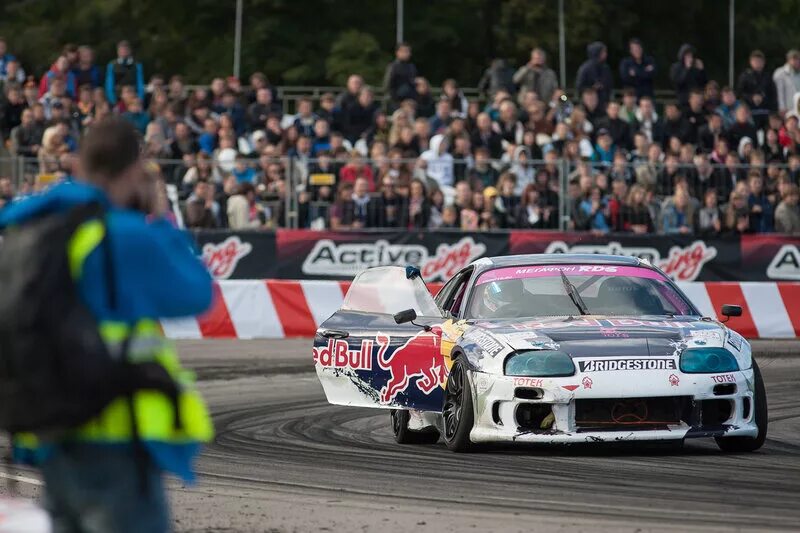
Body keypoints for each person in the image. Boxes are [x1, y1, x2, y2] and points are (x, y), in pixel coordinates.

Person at [0, 116, 213, 532]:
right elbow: (197, 293)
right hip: (112, 428)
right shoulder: (124, 234)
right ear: (135, 172)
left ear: (79, 165)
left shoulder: (31, 227)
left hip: (47, 429)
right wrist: (159, 217)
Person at [737, 50, 777, 129]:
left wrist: (763, 98)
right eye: (755, 61)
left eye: (760, 61)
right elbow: (739, 93)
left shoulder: (768, 77)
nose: (758, 63)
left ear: (764, 62)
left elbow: (773, 94)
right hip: (750, 112)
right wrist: (751, 97)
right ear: (751, 62)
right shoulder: (745, 76)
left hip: (765, 112)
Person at [105, 40, 145, 105]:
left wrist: (140, 98)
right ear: (118, 51)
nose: (124, 52)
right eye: (122, 50)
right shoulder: (112, 65)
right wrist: (113, 100)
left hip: (134, 98)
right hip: (117, 98)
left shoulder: (137, 64)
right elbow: (109, 84)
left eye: (126, 50)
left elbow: (140, 83)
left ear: (130, 51)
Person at [575, 42, 613, 106]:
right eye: (603, 52)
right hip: (589, 103)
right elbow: (579, 86)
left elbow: (609, 84)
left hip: (603, 102)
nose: (606, 54)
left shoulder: (606, 68)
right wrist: (591, 88)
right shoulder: (585, 68)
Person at [670, 44, 707, 108]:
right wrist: (686, 69)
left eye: (691, 55)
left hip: (696, 100)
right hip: (683, 100)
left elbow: (704, 82)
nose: (690, 57)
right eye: (687, 55)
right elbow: (678, 82)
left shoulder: (695, 67)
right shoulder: (676, 67)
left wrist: (702, 70)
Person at [383, 42, 418, 110]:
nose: (407, 54)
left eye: (408, 51)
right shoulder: (393, 67)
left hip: (410, 102)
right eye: (405, 51)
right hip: (396, 102)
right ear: (397, 53)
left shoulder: (411, 67)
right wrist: (398, 101)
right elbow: (387, 85)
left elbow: (413, 84)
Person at [773, 50, 800, 116]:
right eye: (793, 59)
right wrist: (781, 107)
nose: (795, 62)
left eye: (797, 59)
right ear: (788, 60)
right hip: (787, 109)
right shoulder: (780, 72)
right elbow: (779, 92)